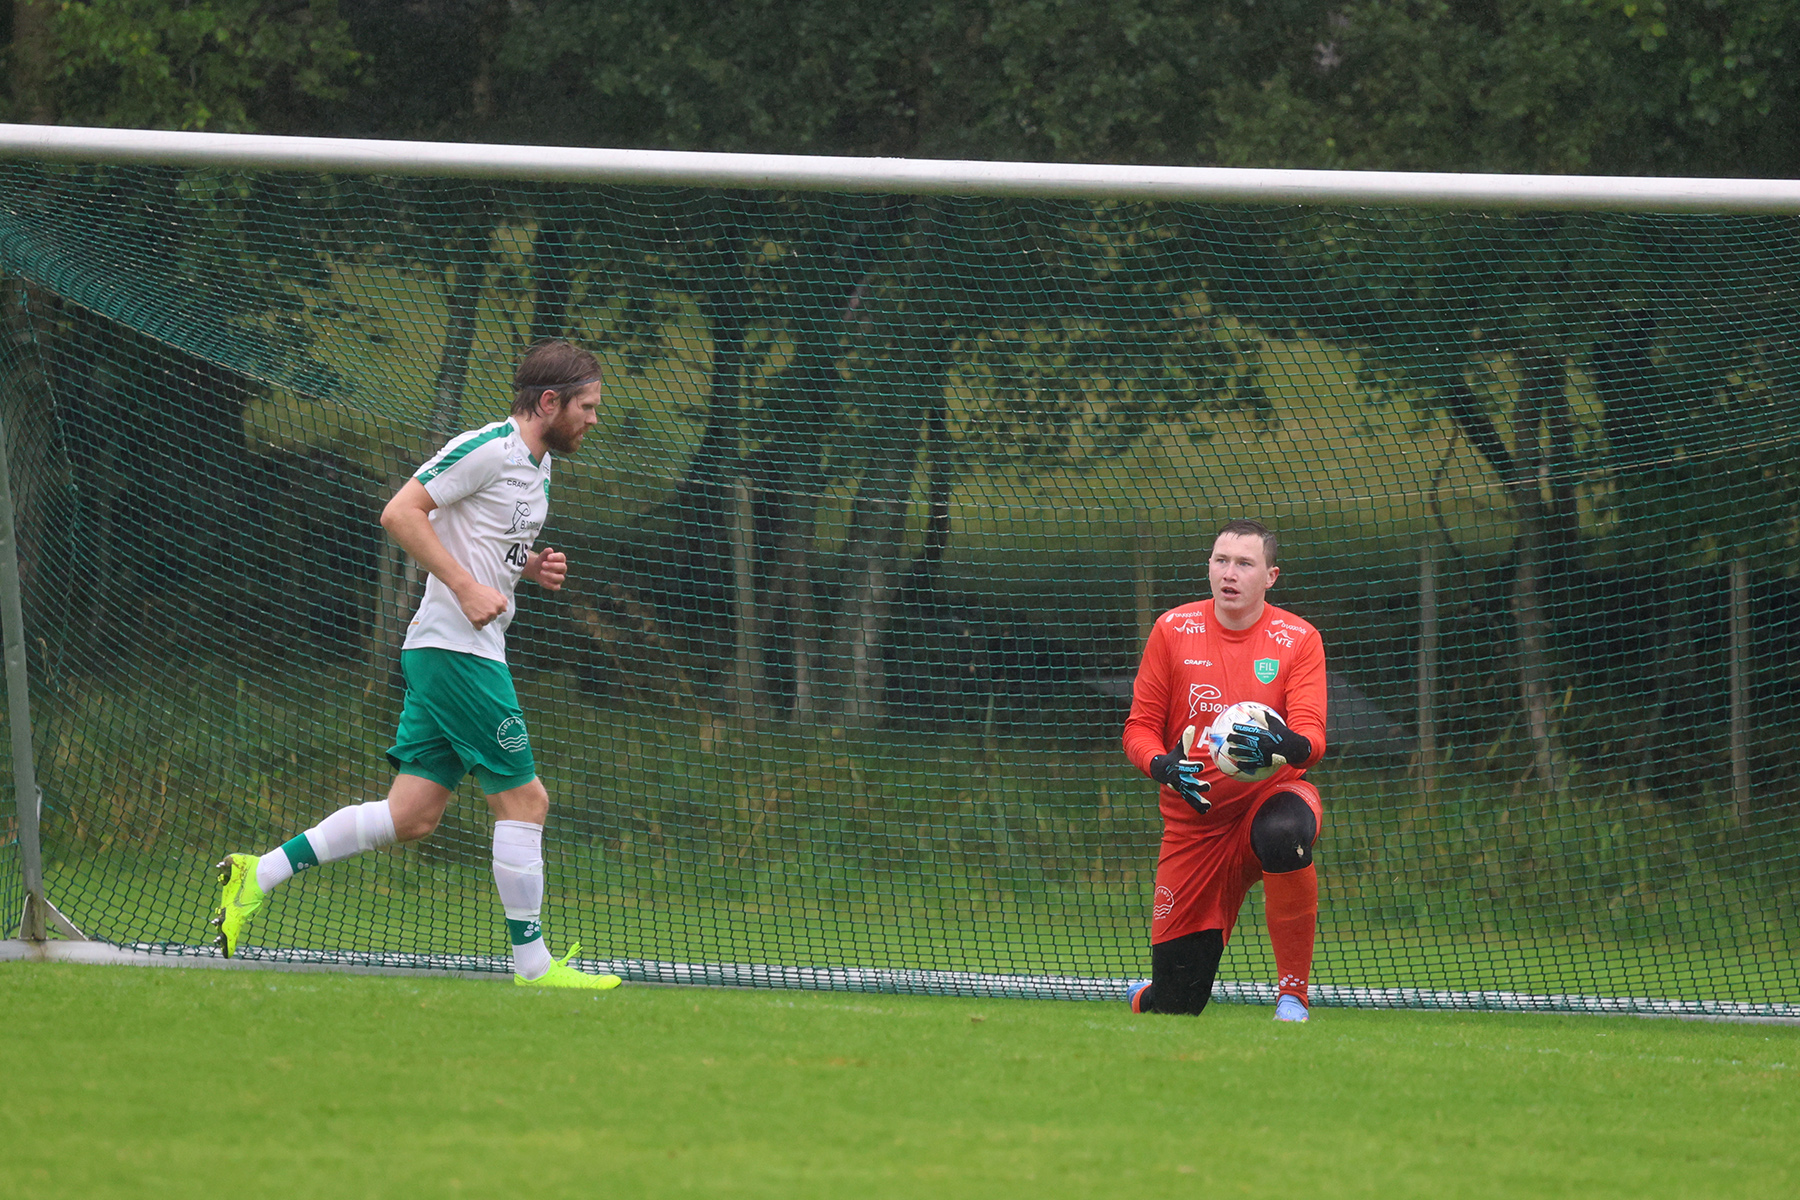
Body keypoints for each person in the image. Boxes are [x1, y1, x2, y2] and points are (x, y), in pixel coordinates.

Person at [209, 340, 620, 990]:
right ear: (549, 402)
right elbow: (400, 512)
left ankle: (255, 876)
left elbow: (488, 539)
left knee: (413, 817)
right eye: (587, 406)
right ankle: (533, 967)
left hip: (459, 653)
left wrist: (528, 565)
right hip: (455, 653)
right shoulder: (489, 448)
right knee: (526, 801)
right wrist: (462, 585)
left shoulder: (540, 468)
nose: (594, 419)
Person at [1121, 519, 1327, 1021]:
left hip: (1268, 801)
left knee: (1285, 832)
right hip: (1195, 827)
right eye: (1220, 560)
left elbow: (1312, 740)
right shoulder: (1173, 629)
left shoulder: (1298, 638)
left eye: (1244, 563)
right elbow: (1138, 729)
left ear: (1270, 576)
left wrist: (1287, 744)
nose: (1228, 573)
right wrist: (1162, 766)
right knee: (1176, 1006)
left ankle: (1292, 997)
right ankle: (1153, 990)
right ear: (1208, 567)